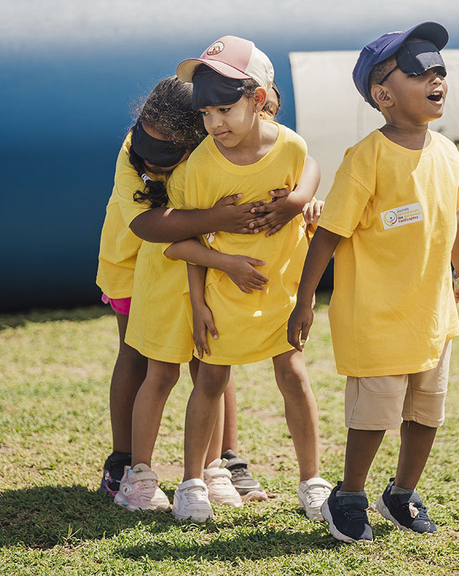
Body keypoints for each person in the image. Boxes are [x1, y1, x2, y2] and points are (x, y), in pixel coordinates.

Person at [286, 22, 459, 543]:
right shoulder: (366, 158)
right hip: (375, 318)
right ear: (384, 94)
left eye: (441, 68)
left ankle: (400, 494)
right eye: (421, 69)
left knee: (425, 413)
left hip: (432, 317)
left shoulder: (446, 152)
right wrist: (304, 302)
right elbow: (328, 235)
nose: (437, 77)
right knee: (374, 417)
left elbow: (455, 213)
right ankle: (347, 495)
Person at [163, 35, 331, 522]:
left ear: (257, 100)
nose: (213, 124)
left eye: (223, 110)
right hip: (222, 299)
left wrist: (305, 298)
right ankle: (192, 483)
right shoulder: (200, 165)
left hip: (282, 296)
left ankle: (312, 483)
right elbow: (189, 243)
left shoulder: (292, 148)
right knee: (211, 380)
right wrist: (198, 303)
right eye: (205, 114)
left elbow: (309, 187)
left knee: (294, 376)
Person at [95, 76, 280, 509]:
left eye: (164, 148)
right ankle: (125, 462)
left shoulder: (216, 144)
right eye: (143, 136)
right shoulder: (132, 150)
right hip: (132, 261)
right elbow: (147, 225)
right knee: (137, 355)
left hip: (202, 262)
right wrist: (216, 217)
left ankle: (225, 461)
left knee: (213, 356)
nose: (147, 154)